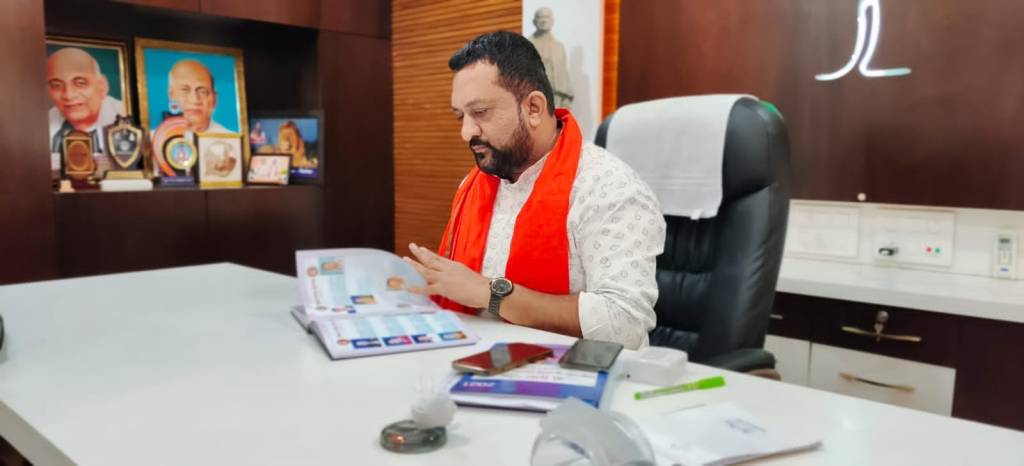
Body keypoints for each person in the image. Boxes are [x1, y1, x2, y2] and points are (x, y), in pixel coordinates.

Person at [403, 31, 666, 349]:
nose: (466, 132)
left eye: (480, 112)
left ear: (534, 108)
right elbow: (460, 292)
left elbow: (625, 323)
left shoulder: (607, 188)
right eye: (461, 116)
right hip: (475, 359)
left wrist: (491, 293)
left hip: (572, 370)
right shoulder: (473, 184)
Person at [47, 47, 126, 166]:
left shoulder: (126, 114)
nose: (68, 95)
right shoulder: (41, 125)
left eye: (80, 83)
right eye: (57, 85)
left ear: (102, 87)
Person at [167, 59, 229, 133]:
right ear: (171, 95)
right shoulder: (156, 137)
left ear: (215, 99)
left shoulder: (231, 138)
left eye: (203, 92)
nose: (194, 100)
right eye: (185, 90)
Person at [529, 7, 573, 109]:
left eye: (547, 17)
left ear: (552, 21)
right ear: (534, 21)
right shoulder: (528, 45)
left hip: (557, 96)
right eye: (541, 17)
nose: (544, 20)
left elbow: (564, 72)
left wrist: (567, 95)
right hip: (536, 95)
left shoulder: (559, 46)